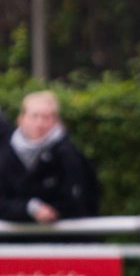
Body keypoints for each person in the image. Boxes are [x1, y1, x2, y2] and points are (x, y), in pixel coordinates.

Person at [0, 91, 99, 224]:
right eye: (34, 116)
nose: (40, 123)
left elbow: (79, 199)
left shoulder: (68, 155)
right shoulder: (7, 154)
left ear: (56, 121)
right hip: (15, 240)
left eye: (46, 117)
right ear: (22, 119)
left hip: (63, 238)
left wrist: (49, 212)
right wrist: (30, 209)